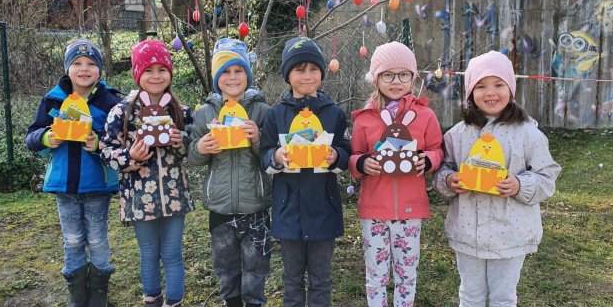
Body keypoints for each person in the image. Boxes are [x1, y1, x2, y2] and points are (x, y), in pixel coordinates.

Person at [432, 51, 561, 306]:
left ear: (510, 89)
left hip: (510, 234)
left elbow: (547, 176)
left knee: (503, 297)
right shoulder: (457, 135)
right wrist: (449, 181)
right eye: (481, 86)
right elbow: (441, 169)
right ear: (470, 92)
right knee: (470, 295)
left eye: (498, 85)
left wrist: (519, 185)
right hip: (467, 232)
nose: (490, 93)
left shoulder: (528, 134)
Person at [25, 38, 121, 307]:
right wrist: (46, 138)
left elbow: (120, 140)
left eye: (91, 63)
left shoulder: (110, 102)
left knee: (98, 239)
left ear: (100, 69)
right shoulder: (52, 99)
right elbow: (31, 136)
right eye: (77, 63)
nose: (84, 69)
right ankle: (77, 294)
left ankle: (99, 293)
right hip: (63, 187)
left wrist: (99, 142)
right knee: (73, 240)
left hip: (97, 186)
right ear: (67, 68)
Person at [348, 42, 444, 307]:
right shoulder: (364, 118)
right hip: (374, 210)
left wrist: (429, 161)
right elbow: (353, 155)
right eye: (388, 75)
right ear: (376, 78)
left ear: (413, 78)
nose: (396, 81)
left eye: (404, 75)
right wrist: (362, 163)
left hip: (410, 211)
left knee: (406, 273)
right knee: (376, 274)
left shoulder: (425, 115)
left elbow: (437, 148)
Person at [100, 40, 194, 307]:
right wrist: (131, 157)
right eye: (149, 70)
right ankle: (152, 300)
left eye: (162, 69)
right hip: (139, 198)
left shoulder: (181, 111)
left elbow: (195, 149)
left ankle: (174, 302)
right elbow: (106, 151)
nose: (156, 76)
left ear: (170, 73)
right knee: (149, 253)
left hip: (175, 196)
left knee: (173, 252)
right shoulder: (122, 112)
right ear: (137, 73)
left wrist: (181, 142)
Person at [259, 36, 351, 307]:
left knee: (322, 280)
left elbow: (346, 154)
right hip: (288, 213)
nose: (307, 76)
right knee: (292, 280)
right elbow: (263, 156)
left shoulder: (334, 114)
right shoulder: (276, 115)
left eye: (313, 69)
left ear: (322, 73)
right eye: (300, 69)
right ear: (288, 75)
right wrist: (275, 156)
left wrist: (336, 157)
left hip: (324, 210)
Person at [187, 38, 272, 307]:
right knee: (225, 266)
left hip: (255, 206)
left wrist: (258, 138)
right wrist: (201, 147)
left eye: (238, 70)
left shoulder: (262, 111)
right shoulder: (205, 115)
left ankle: (254, 302)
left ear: (247, 74)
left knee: (256, 265)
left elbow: (273, 157)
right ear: (215, 77)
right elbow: (192, 157)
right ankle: (232, 302)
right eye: (225, 71)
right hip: (220, 208)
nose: (232, 77)